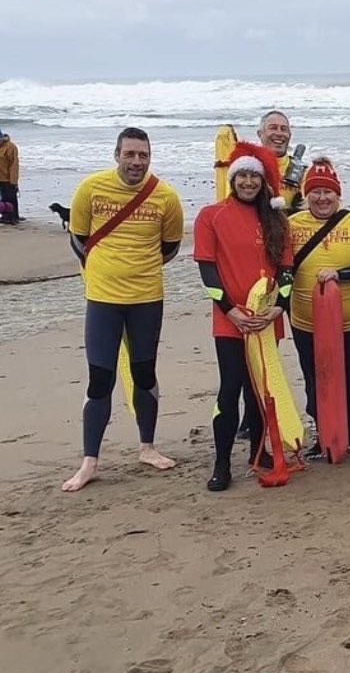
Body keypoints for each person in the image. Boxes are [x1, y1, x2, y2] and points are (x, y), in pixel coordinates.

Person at [62, 127, 184, 492]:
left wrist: (138, 268)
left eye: (142, 155)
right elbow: (78, 237)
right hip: (102, 299)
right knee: (100, 378)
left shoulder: (165, 196)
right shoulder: (91, 188)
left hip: (147, 298)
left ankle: (147, 446)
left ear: (150, 157)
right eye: (129, 154)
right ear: (117, 154)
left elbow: (171, 246)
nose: (136, 161)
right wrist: (103, 269)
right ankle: (89, 462)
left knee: (144, 373)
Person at [194, 142, 293, 491]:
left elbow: (286, 271)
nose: (248, 182)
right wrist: (232, 312)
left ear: (263, 181)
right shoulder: (211, 215)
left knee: (259, 391)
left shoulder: (277, 220)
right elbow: (208, 272)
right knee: (230, 390)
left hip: (267, 319)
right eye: (243, 175)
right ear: (233, 178)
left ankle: (259, 453)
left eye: (255, 176)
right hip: (231, 321)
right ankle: (222, 464)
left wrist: (279, 307)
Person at [289, 157, 350, 457]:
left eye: (327, 191)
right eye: (315, 191)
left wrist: (340, 275)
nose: (321, 197)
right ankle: (323, 435)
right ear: (306, 196)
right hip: (306, 322)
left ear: (337, 194)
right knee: (316, 378)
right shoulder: (291, 225)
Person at [257, 110, 308, 211]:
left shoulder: (304, 173)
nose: (279, 133)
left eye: (284, 129)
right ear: (260, 134)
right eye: (273, 128)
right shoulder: (247, 169)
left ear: (289, 135)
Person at [0, 128, 19, 224]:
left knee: (9, 198)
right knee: (3, 199)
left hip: (7, 178)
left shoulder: (10, 147)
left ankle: (12, 217)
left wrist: (13, 181)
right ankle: (5, 216)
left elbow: (14, 165)